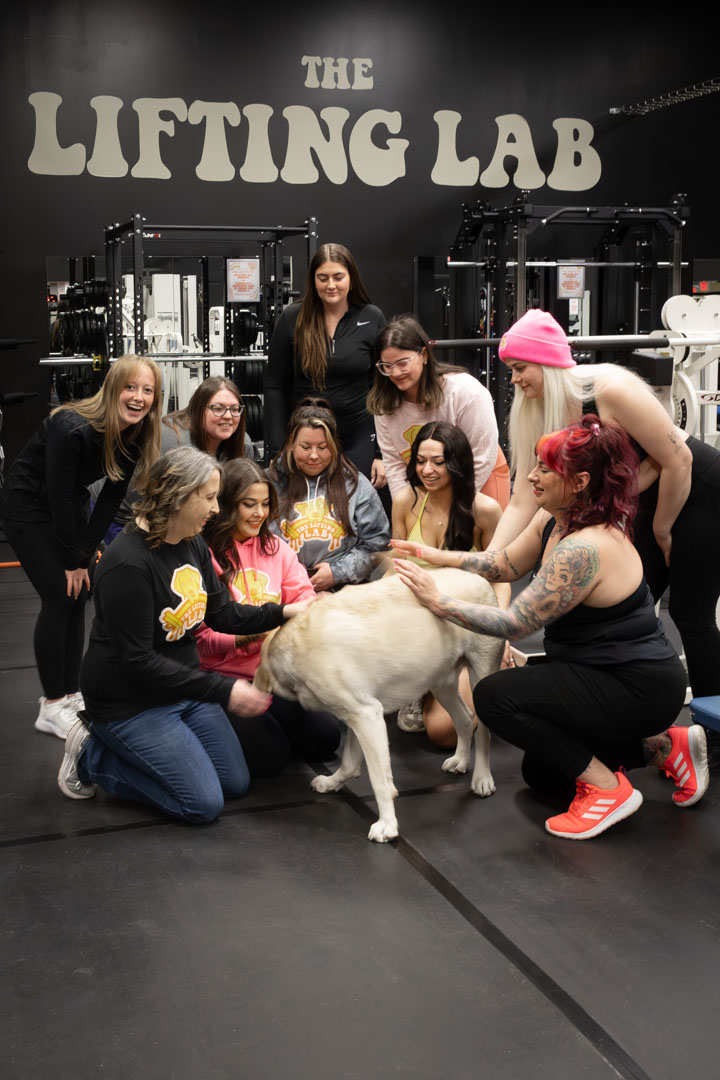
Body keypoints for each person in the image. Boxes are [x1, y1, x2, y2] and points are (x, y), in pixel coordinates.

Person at [393, 416, 709, 841]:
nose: (530, 476)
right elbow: (503, 564)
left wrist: (439, 602)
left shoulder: (585, 547)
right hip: (594, 674)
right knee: (542, 772)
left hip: (636, 685)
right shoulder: (554, 520)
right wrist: (435, 556)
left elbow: (515, 623)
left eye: (544, 469)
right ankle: (666, 748)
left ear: (579, 482)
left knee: (494, 696)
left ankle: (608, 790)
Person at [56, 446, 312, 824]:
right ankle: (91, 756)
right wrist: (225, 689)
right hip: (130, 702)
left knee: (234, 782)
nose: (216, 509)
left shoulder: (191, 541)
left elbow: (222, 613)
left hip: (182, 690)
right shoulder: (127, 564)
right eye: (208, 498)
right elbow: (138, 662)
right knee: (202, 805)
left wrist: (285, 611)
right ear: (178, 496)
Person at [491, 307, 720, 717]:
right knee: (630, 604)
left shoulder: (610, 389)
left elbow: (678, 460)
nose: (514, 380)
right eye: (510, 370)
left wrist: (663, 530)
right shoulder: (536, 409)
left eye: (520, 368)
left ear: (546, 362)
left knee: (690, 613)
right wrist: (491, 559)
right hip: (644, 497)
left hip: (697, 487)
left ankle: (712, 727)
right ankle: (629, 716)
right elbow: (523, 497)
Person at [0, 355, 163, 739]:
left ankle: (71, 695)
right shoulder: (71, 427)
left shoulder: (135, 435)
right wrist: (74, 560)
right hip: (27, 506)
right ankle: (51, 704)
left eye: (147, 390)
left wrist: (84, 554)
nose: (138, 397)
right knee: (59, 595)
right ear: (113, 388)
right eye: (130, 387)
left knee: (80, 592)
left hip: (67, 507)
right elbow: (56, 496)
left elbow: (110, 499)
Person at [197, 458, 341, 774]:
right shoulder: (203, 554)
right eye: (249, 504)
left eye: (265, 504)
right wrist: (263, 633)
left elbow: (303, 597)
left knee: (325, 739)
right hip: (223, 677)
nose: (260, 513)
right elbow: (203, 640)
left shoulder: (275, 547)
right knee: (271, 758)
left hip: (271, 671)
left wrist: (315, 611)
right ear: (226, 505)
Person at [391, 421, 507, 745]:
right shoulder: (405, 501)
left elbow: (500, 579)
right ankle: (423, 684)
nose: (427, 470)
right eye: (420, 461)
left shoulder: (484, 510)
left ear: (456, 463)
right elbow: (397, 567)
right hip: (416, 626)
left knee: (443, 733)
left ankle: (486, 676)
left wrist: (500, 629)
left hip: (465, 627)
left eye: (438, 462)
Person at [265, 243, 386, 483]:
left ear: (351, 279)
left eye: (338, 277)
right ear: (313, 281)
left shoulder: (372, 317)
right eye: (323, 278)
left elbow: (382, 386)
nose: (331, 285)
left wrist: (381, 453)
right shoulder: (292, 318)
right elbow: (275, 385)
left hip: (358, 435)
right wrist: (276, 448)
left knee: (357, 501)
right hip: (306, 437)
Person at [368, 314, 510, 506]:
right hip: (426, 482)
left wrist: (452, 506)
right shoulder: (384, 405)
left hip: (478, 478)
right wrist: (408, 509)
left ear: (424, 355)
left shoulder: (465, 392)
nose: (395, 372)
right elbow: (395, 466)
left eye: (403, 363)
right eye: (387, 366)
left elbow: (482, 456)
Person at [268, 400, 390, 591]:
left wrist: (338, 572)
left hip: (341, 592)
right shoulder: (268, 483)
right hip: (279, 589)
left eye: (322, 447)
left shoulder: (356, 485)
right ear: (291, 444)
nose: (314, 455)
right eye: (305, 447)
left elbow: (377, 541)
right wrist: (288, 574)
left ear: (334, 445)